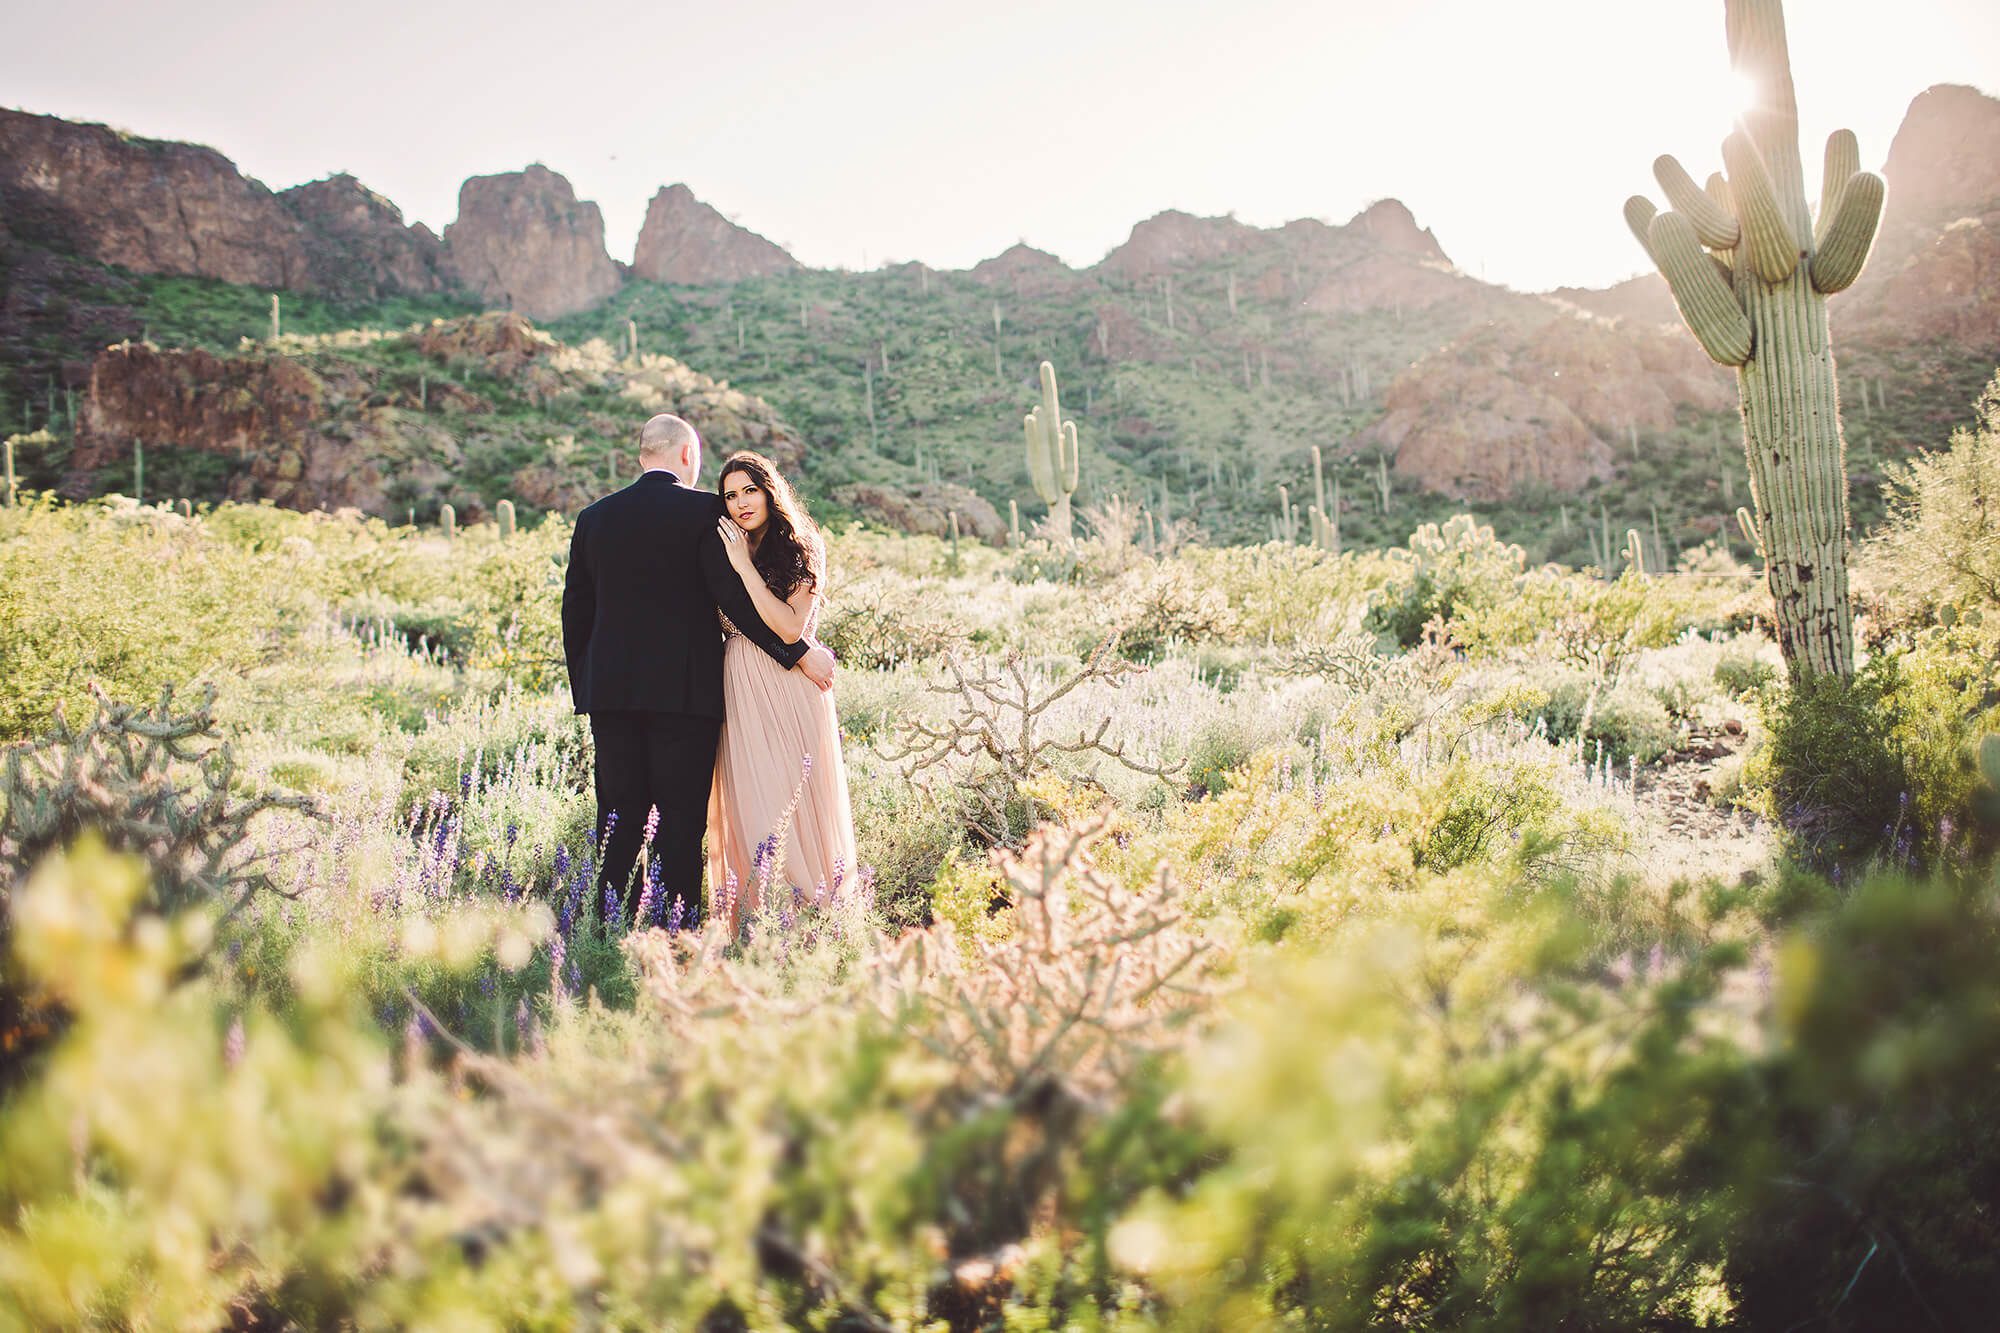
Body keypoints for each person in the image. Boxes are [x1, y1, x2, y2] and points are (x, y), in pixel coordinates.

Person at [560, 415, 835, 927]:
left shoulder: (592, 518)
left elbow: (575, 614)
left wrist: (590, 690)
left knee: (617, 821)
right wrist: (797, 653)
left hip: (612, 698)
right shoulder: (704, 513)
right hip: (685, 698)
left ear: (644, 455)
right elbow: (733, 597)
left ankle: (607, 932)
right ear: (689, 456)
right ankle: (676, 935)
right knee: (680, 824)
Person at [707, 450, 860, 929]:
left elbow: (791, 629)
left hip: (792, 685)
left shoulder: (802, 545)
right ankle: (760, 919)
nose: (740, 503)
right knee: (753, 799)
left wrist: (743, 568)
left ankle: (812, 915)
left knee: (794, 795)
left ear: (769, 491)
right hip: (738, 685)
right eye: (730, 495)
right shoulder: (730, 545)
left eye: (749, 490)